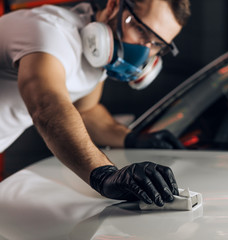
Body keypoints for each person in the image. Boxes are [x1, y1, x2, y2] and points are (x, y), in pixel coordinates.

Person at [0, 0, 191, 207]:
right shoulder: (50, 32)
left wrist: (132, 140)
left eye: (157, 44)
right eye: (140, 30)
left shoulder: (98, 56)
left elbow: (86, 112)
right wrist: (104, 174)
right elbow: (47, 106)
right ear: (113, 6)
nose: (145, 51)